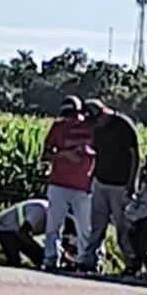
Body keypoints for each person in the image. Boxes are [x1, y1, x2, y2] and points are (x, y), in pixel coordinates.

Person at [80, 98, 140, 275]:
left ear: (102, 114)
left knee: (123, 227)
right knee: (97, 225)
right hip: (101, 182)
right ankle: (89, 261)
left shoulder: (123, 126)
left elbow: (135, 156)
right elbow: (98, 155)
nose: (93, 126)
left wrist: (132, 183)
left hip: (120, 185)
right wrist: (91, 178)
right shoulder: (98, 130)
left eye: (94, 121)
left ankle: (131, 262)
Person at [41, 95, 95, 272]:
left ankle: (87, 261)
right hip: (59, 183)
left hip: (83, 185)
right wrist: (65, 155)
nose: (70, 119)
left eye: (73, 115)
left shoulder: (91, 127)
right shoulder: (58, 127)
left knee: (85, 227)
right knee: (53, 225)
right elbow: (45, 155)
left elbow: (101, 152)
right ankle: (51, 258)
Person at [0, 198, 78, 268]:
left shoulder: (57, 220)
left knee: (41, 255)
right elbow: (23, 233)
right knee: (16, 261)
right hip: (5, 227)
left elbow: (56, 244)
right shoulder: (39, 213)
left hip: (18, 230)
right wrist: (38, 250)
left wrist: (65, 256)